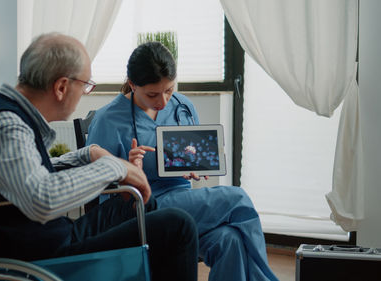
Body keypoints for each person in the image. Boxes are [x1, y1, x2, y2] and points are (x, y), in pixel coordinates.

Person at [0, 33, 198, 281]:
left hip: (50, 238)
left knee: (141, 205)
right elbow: (41, 199)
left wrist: (87, 154)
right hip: (41, 258)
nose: (85, 93)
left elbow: (20, 176)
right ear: (61, 87)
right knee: (178, 225)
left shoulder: (2, 115)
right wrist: (116, 167)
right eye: (85, 85)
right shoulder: (5, 125)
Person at [87, 42, 279, 281]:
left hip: (182, 204)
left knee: (230, 239)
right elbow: (97, 189)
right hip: (142, 209)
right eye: (152, 94)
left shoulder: (183, 106)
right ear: (133, 84)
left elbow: (190, 153)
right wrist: (127, 170)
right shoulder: (108, 120)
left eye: (169, 90)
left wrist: (192, 167)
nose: (164, 101)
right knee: (237, 198)